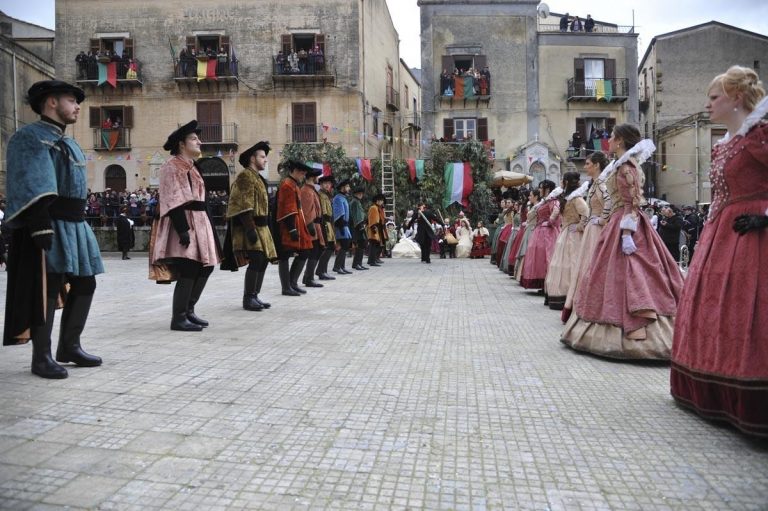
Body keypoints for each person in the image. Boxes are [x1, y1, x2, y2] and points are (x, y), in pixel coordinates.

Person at [671, 66, 768, 436]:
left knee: (750, 310)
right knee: (716, 309)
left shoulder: (760, 135)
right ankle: (710, 390)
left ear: (737, 98)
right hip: (720, 233)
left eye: (714, 98)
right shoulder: (726, 143)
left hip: (752, 235)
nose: (708, 105)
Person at [3, 80, 103, 379]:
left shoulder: (68, 141)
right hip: (48, 221)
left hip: (75, 223)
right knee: (46, 286)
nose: (77, 106)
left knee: (86, 284)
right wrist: (39, 224)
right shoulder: (29, 137)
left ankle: (69, 346)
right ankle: (42, 356)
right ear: (52, 103)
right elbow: (30, 180)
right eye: (72, 100)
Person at [561, 124, 684, 359]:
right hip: (619, 222)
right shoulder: (623, 165)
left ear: (619, 141)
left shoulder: (625, 167)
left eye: (612, 137)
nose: (608, 140)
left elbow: (632, 202)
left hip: (626, 224)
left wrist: (627, 233)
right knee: (612, 274)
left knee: (632, 272)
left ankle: (639, 330)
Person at [149, 120, 220, 331]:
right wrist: (182, 229)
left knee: (206, 266)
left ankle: (189, 310)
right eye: (194, 139)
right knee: (189, 268)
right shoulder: (172, 166)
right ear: (182, 143)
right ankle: (178, 317)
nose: (199, 142)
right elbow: (172, 199)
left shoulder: (192, 166)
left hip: (200, 220)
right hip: (185, 220)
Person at [220, 141, 277, 311]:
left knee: (263, 260)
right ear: (252, 158)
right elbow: (243, 204)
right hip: (250, 226)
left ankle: (255, 295)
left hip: (262, 226)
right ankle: (248, 298)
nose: (265, 160)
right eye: (262, 156)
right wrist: (250, 229)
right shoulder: (245, 176)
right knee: (257, 259)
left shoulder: (258, 178)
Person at [562, 152, 611, 322]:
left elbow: (609, 202)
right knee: (585, 267)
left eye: (588, 163)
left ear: (597, 165)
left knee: (591, 266)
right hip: (592, 228)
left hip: (596, 230)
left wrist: (602, 219)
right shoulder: (595, 183)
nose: (585, 166)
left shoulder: (601, 184)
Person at [543, 172, 589, 310]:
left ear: (567, 182)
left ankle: (572, 295)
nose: (561, 183)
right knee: (562, 264)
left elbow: (586, 213)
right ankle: (563, 295)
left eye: (563, 181)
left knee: (572, 263)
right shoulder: (567, 198)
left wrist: (580, 226)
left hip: (573, 235)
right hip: (565, 233)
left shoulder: (576, 198)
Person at [273, 160, 314, 295]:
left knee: (305, 251)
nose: (303, 175)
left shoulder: (294, 185)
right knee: (284, 254)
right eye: (301, 172)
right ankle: (286, 287)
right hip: (288, 223)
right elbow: (287, 208)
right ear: (294, 171)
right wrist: (292, 229)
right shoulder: (287, 185)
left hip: (298, 222)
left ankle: (292, 283)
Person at [520, 180, 561, 291]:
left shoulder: (553, 200)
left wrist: (549, 222)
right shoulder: (545, 201)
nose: (539, 190)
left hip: (548, 233)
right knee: (539, 257)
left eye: (540, 188)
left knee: (546, 256)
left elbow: (556, 211)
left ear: (547, 189)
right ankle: (543, 283)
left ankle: (547, 283)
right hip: (540, 231)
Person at [299, 165, 326, 288]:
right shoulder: (306, 190)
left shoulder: (311, 189)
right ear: (312, 177)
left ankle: (309, 277)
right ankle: (308, 278)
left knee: (318, 250)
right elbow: (305, 211)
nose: (317, 179)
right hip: (312, 225)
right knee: (313, 251)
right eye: (316, 176)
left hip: (316, 224)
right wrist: (310, 226)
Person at [315, 175, 337, 280]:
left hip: (329, 223)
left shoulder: (327, 195)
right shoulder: (320, 195)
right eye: (325, 183)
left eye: (329, 183)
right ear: (321, 184)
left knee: (331, 247)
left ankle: (322, 270)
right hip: (324, 223)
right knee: (327, 247)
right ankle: (321, 271)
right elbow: (322, 213)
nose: (328, 185)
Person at [332, 179, 353, 274]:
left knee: (345, 246)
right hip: (341, 225)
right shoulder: (337, 198)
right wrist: (341, 227)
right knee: (343, 245)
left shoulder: (343, 198)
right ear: (342, 188)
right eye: (347, 186)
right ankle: (337, 267)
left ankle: (342, 266)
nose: (349, 188)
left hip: (345, 225)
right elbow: (339, 214)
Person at [348, 185, 369, 271]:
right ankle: (356, 264)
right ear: (355, 194)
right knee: (360, 244)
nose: (360, 195)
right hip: (357, 226)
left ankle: (358, 263)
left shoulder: (357, 201)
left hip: (359, 225)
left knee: (361, 244)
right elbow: (356, 215)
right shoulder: (355, 202)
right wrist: (360, 225)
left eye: (361, 193)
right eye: (359, 193)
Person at [366, 193, 387, 266]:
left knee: (377, 245)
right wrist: (373, 228)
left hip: (379, 228)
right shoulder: (373, 208)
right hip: (374, 228)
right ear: (376, 201)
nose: (381, 202)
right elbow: (371, 219)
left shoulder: (379, 208)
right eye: (379, 200)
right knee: (373, 245)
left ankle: (373, 260)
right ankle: (372, 261)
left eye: (382, 200)